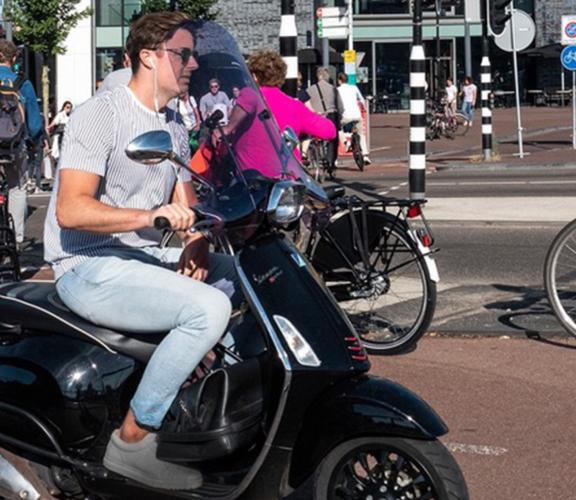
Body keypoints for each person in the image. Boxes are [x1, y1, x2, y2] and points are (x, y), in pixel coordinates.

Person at [44, 12, 239, 489]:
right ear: (149, 57)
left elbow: (181, 193)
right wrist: (146, 219)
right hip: (87, 263)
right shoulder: (101, 113)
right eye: (184, 55)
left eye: (194, 54)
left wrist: (195, 240)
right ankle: (133, 438)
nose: (193, 65)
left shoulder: (172, 122)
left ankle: (201, 410)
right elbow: (71, 210)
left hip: (135, 259)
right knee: (207, 308)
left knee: (244, 278)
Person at [218, 48, 335, 177]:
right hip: (286, 180)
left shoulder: (249, 97)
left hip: (250, 182)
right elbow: (329, 131)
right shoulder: (294, 106)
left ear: (254, 76)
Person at [0, 40, 42, 250]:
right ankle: (16, 239)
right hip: (14, 145)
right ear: (13, 58)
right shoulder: (21, 83)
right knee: (17, 188)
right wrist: (35, 142)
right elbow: (34, 124)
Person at [307, 67, 343, 167]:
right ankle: (331, 160)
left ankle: (317, 155)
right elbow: (340, 106)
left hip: (317, 116)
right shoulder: (333, 89)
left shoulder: (310, 90)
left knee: (315, 136)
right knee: (333, 138)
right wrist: (340, 115)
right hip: (331, 115)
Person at [336, 72, 370, 165]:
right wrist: (364, 108)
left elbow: (336, 103)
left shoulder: (337, 90)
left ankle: (346, 143)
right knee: (361, 134)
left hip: (345, 116)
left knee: (338, 128)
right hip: (357, 115)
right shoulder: (354, 88)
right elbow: (362, 100)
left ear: (339, 81)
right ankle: (365, 155)